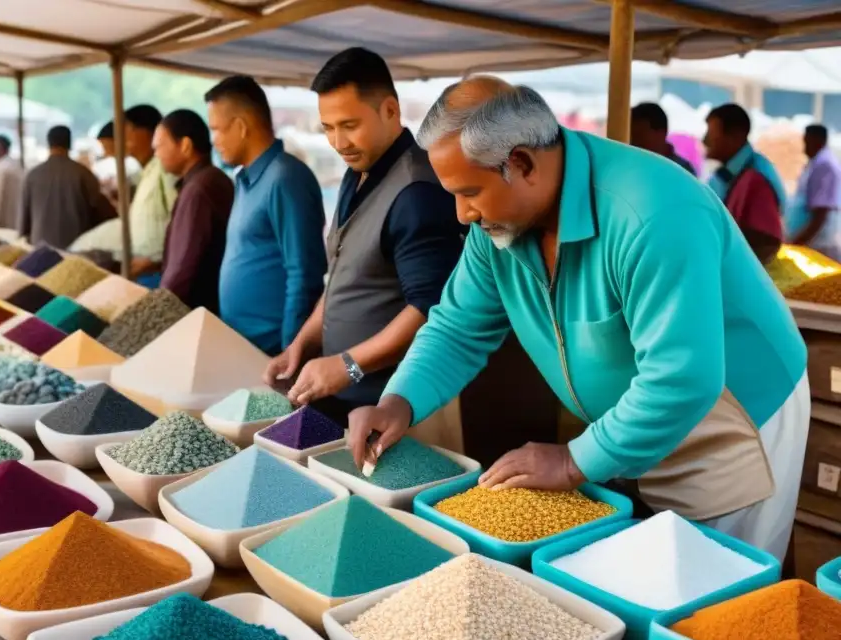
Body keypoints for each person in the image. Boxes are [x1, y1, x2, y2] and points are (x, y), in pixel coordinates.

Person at [348, 77, 809, 561]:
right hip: (646, 410)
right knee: (661, 563)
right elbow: (457, 326)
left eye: (469, 192)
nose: (462, 215)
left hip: (730, 411)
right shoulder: (497, 227)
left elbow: (682, 379)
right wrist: (397, 402)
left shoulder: (652, 212)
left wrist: (572, 461)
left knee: (716, 585)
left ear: (521, 163)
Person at [264, 47, 465, 430]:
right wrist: (301, 345)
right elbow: (345, 275)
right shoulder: (357, 173)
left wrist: (348, 365)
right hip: (341, 394)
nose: (338, 142)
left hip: (393, 408)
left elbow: (429, 310)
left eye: (349, 125)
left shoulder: (416, 192)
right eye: (328, 128)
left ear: (390, 109)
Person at [207, 75, 326, 355]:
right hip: (244, 345)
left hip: (274, 352)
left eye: (217, 129)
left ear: (240, 126)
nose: (214, 140)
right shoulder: (246, 180)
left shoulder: (285, 179)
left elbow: (304, 272)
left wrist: (290, 351)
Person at [70, 105, 178, 277]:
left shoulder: (165, 169)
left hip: (156, 269)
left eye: (128, 130)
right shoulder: (147, 171)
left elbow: (179, 221)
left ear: (148, 132)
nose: (123, 138)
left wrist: (156, 261)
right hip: (142, 264)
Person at [153, 109, 234, 312]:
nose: (156, 154)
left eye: (160, 146)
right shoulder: (208, 179)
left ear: (186, 145)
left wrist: (159, 310)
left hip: (199, 308)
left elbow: (182, 267)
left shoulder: (199, 189)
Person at [704, 103, 785, 263]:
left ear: (735, 136)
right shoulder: (730, 174)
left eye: (711, 133)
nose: (705, 140)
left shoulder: (756, 179)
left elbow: (766, 243)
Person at [20, 125, 114, 249]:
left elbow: (24, 219)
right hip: (77, 248)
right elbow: (101, 212)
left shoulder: (33, 175)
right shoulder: (83, 174)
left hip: (40, 249)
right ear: (69, 144)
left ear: (49, 143)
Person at [787, 124, 841, 262]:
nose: (804, 147)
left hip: (819, 243)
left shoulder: (825, 165)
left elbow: (821, 212)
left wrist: (797, 242)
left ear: (818, 140)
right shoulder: (816, 162)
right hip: (812, 242)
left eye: (807, 142)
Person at [630, 102, 695, 174]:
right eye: (631, 136)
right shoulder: (630, 167)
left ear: (661, 133)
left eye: (640, 135)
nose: (634, 142)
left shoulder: (683, 172)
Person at [92, 120, 142, 198]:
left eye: (106, 145)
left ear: (116, 142)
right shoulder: (106, 164)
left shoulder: (131, 163)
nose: (104, 151)